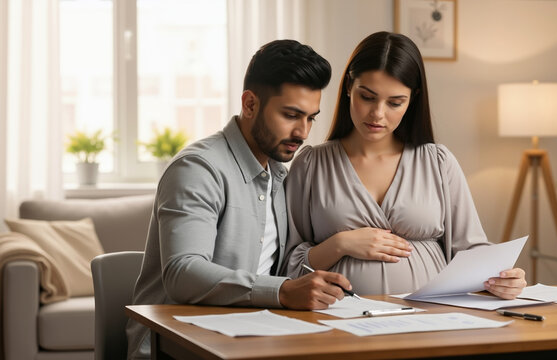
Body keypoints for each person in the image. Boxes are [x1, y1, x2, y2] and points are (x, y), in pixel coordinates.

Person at [126, 39, 353, 360]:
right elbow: (183, 272)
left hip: (255, 340)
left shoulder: (281, 175)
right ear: (250, 104)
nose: (303, 132)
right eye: (291, 115)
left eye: (311, 118)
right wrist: (284, 291)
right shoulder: (198, 168)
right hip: (176, 347)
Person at [284, 31, 526, 298]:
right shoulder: (310, 165)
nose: (378, 114)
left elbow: (472, 250)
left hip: (432, 317)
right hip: (339, 319)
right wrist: (340, 244)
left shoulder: (438, 162)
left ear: (412, 100)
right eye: (367, 97)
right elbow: (287, 267)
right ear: (349, 87)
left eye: (395, 103)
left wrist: (504, 279)